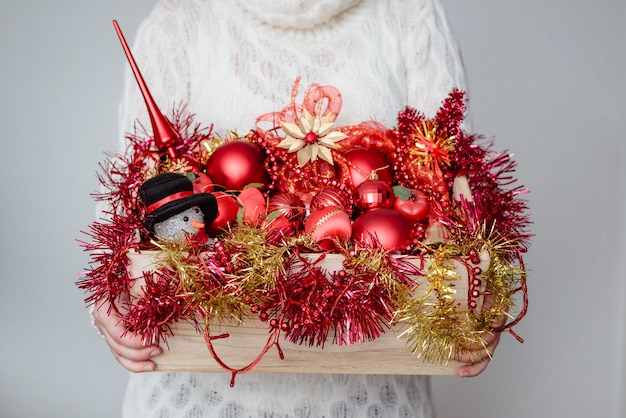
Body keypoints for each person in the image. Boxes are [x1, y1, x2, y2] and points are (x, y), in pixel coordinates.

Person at [93, 0, 503, 416]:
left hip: (370, 402)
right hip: (200, 400)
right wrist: (108, 301)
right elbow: (129, 194)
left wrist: (483, 294)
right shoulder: (181, 19)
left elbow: (458, 178)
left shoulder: (408, 12)